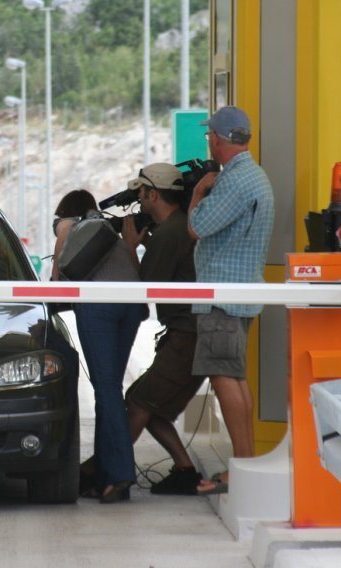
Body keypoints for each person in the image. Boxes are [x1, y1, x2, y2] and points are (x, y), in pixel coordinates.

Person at [187, 106, 275, 495]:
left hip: (222, 295)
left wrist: (198, 193)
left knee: (224, 375)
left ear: (219, 140)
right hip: (240, 292)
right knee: (235, 375)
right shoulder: (255, 177)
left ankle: (241, 466)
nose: (209, 141)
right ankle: (246, 462)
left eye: (210, 136)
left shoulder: (235, 182)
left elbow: (198, 227)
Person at [52, 189, 147, 503]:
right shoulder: (107, 227)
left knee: (106, 389)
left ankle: (120, 474)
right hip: (130, 304)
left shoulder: (67, 226)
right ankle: (103, 478)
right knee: (111, 389)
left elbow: (58, 285)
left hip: (99, 307)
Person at [119, 162, 205, 495]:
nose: (138, 200)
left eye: (140, 193)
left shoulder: (171, 232)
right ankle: (185, 470)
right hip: (186, 334)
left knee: (139, 401)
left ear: (153, 194)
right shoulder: (176, 228)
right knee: (150, 406)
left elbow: (147, 287)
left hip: (187, 336)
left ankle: (110, 467)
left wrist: (130, 247)